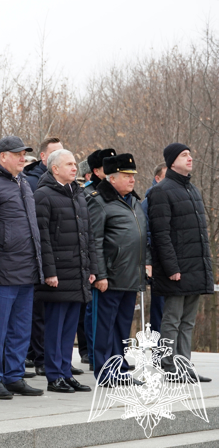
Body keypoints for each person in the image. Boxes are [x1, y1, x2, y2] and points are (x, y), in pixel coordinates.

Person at [0, 136, 44, 400]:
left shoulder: (24, 183)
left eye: (24, 154)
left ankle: (14, 376)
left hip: (26, 269)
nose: (22, 158)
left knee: (20, 328)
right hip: (3, 272)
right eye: (17, 154)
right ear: (2, 156)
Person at [149, 144, 214, 382]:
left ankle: (184, 365)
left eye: (190, 154)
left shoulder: (192, 189)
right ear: (171, 161)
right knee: (172, 319)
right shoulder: (161, 191)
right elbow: (160, 234)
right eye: (184, 155)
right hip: (176, 269)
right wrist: (171, 267)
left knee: (187, 321)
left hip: (195, 268)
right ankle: (170, 366)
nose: (190, 158)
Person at [33, 149, 96, 393]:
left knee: (70, 328)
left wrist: (91, 268)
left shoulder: (78, 195)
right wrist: (49, 272)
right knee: (55, 327)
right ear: (54, 168)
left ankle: (65, 372)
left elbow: (87, 236)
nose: (74, 168)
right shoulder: (43, 196)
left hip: (77, 272)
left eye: (74, 164)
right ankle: (54, 375)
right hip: (57, 274)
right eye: (69, 164)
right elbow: (43, 238)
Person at [87, 154, 150, 381]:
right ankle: (105, 372)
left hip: (132, 275)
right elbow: (94, 241)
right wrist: (100, 274)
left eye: (132, 175)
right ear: (112, 179)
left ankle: (120, 368)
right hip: (110, 277)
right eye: (126, 176)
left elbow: (142, 236)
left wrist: (147, 264)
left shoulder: (133, 201)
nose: (132, 180)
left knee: (122, 327)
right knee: (104, 326)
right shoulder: (99, 201)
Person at [23, 137, 64, 377]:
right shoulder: (32, 182)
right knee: (38, 313)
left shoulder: (66, 185)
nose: (61, 155)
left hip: (59, 257)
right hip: (36, 256)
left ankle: (53, 359)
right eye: (55, 152)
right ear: (43, 157)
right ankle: (38, 357)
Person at [82, 147, 116, 371]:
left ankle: (112, 355)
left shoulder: (116, 192)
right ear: (96, 171)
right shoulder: (89, 194)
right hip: (95, 262)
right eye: (108, 167)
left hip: (115, 264)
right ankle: (94, 354)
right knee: (93, 311)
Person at [141, 162, 167, 333]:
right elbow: (145, 234)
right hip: (158, 263)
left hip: (174, 262)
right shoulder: (148, 202)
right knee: (160, 310)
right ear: (157, 179)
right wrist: (149, 262)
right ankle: (160, 352)